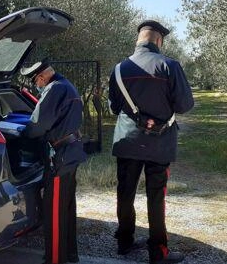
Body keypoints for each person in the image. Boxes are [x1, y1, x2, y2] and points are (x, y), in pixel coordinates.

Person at [108, 20, 194, 264]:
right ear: (158, 40)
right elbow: (185, 105)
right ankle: (158, 253)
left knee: (125, 193)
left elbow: (114, 107)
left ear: (139, 40)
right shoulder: (170, 66)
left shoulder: (118, 69)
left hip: (127, 141)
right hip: (160, 143)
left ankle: (124, 243)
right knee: (156, 197)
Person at [20, 60, 88, 264]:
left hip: (60, 156)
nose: (37, 87)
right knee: (67, 207)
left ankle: (55, 259)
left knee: (54, 210)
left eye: (36, 82)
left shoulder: (54, 89)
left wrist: (22, 134)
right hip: (71, 152)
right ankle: (70, 254)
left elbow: (37, 126)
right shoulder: (66, 85)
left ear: (41, 77)